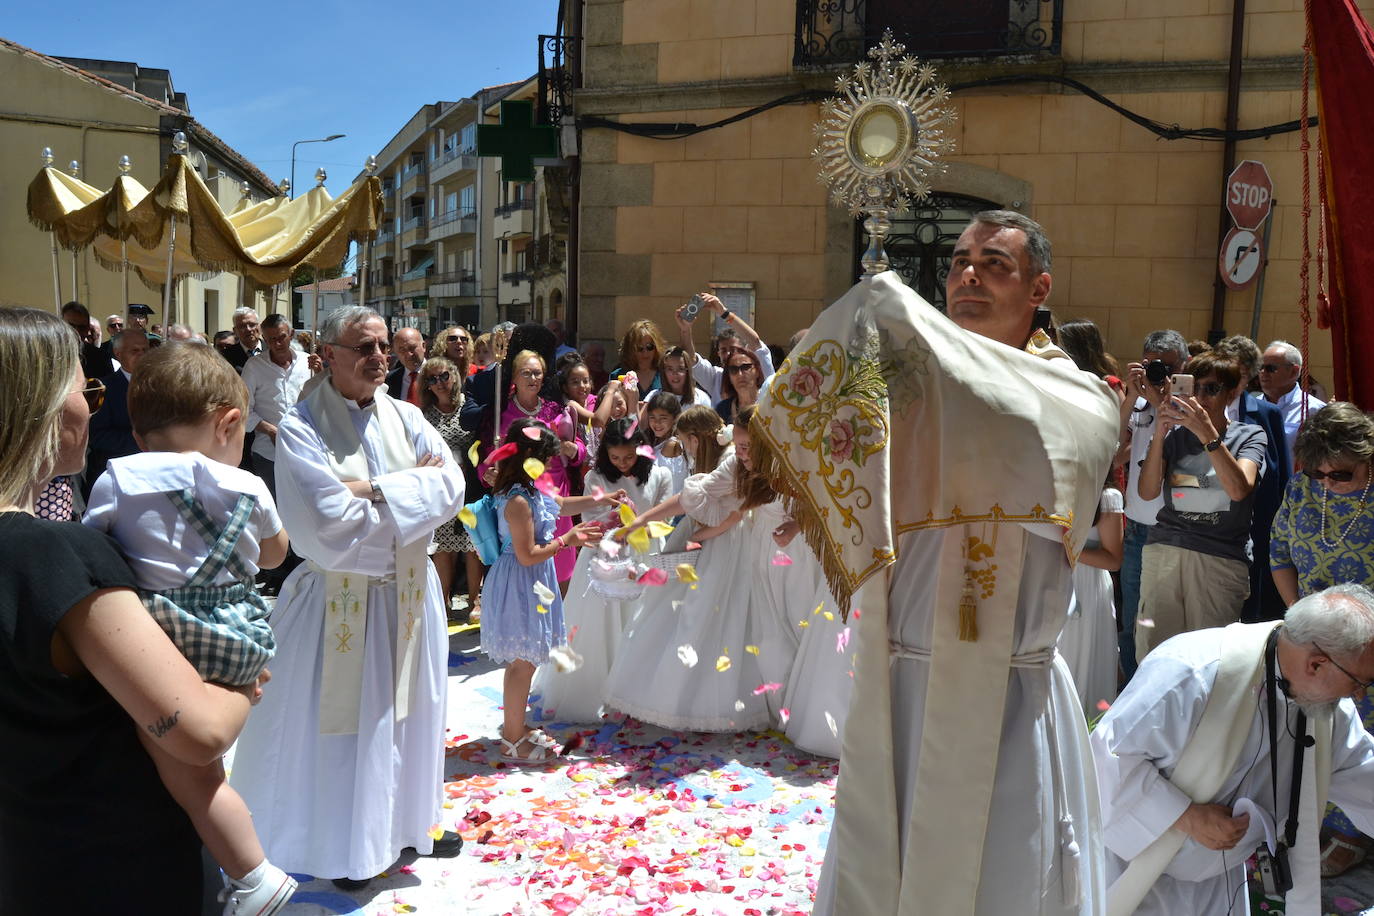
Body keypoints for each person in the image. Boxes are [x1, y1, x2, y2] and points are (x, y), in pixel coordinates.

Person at [757, 210, 1119, 915]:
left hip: (1010, 691)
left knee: (1008, 881)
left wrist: (900, 318)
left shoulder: (1077, 396)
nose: (968, 275)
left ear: (1040, 287)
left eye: (994, 264)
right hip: (904, 677)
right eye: (957, 263)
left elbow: (1017, 432)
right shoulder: (909, 380)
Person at [0, 307, 261, 914]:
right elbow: (199, 732)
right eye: (81, 387)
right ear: (36, 405)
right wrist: (242, 687)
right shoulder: (55, 553)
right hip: (118, 864)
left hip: (28, 857)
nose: (92, 406)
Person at [227, 306, 467, 889]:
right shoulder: (303, 427)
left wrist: (373, 490)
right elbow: (329, 524)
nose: (379, 357)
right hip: (342, 600)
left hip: (409, 594)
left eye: (384, 345)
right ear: (328, 353)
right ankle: (350, 847)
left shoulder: (408, 414)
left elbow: (453, 487)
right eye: (364, 347)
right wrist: (410, 496)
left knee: (415, 713)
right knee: (349, 730)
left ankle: (411, 824)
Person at [84, 343, 297, 915]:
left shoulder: (118, 481)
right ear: (231, 422)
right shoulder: (247, 485)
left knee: (192, 781)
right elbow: (277, 555)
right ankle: (238, 866)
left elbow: (92, 553)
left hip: (164, 637)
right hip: (240, 636)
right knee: (206, 770)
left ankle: (254, 874)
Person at [1091, 583, 1374, 915]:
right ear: (1316, 664)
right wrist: (1186, 816)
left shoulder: (1328, 714)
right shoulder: (1192, 673)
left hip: (1219, 884)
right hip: (1136, 874)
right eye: (1359, 682)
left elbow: (1363, 775)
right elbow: (1107, 760)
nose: (1359, 696)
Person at [607, 414, 794, 733]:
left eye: (748, 447)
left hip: (760, 547)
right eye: (738, 446)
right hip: (732, 547)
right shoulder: (734, 465)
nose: (742, 453)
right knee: (700, 617)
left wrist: (702, 536)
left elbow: (737, 516)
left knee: (748, 622)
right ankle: (685, 701)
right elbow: (688, 500)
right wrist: (638, 524)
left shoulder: (783, 463)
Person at [1271, 402, 1374, 876]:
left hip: (1369, 643)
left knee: (1364, 738)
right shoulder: (1302, 490)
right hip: (1315, 638)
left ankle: (1356, 833)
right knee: (1317, 729)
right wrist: (1300, 621)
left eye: (1341, 474)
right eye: (1319, 474)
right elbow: (1278, 554)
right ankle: (1320, 821)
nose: (1328, 483)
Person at [479, 420, 611, 760]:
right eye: (545, 458)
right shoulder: (518, 501)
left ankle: (515, 724)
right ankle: (512, 738)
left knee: (527, 660)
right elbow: (526, 555)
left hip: (533, 580)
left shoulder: (530, 491)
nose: (550, 465)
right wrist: (569, 539)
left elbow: (562, 505)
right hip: (520, 581)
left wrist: (604, 499)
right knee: (522, 663)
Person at [531, 418, 671, 723]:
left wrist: (638, 525)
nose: (622, 464)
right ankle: (598, 691)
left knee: (642, 624)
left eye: (629, 457)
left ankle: (639, 693)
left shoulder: (660, 474)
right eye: (615, 458)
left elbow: (665, 520)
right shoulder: (596, 476)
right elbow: (589, 518)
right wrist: (614, 519)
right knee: (599, 629)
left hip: (644, 554)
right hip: (604, 557)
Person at [1137, 352, 1267, 659]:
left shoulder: (1249, 435)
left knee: (1209, 660)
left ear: (1233, 393)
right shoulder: (1173, 437)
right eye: (1194, 388)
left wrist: (1208, 434)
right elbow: (1146, 491)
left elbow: (1238, 489)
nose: (1200, 397)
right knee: (1155, 656)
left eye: (1212, 389)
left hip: (1218, 559)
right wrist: (1160, 432)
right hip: (1165, 552)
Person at [1118, 330, 1189, 680]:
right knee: (1132, 618)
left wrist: (1164, 401)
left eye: (1166, 367)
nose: (1157, 373)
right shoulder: (1138, 405)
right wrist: (1130, 398)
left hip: (1174, 531)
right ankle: (1131, 690)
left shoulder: (1191, 407)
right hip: (1136, 527)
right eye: (1149, 365)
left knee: (1164, 621)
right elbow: (1114, 453)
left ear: (1183, 368)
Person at [482, 349, 585, 585]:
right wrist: (489, 473)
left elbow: (579, 447)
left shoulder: (556, 409)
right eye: (526, 373)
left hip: (555, 489)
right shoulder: (501, 413)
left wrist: (573, 449)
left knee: (561, 566)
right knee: (528, 557)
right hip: (521, 493)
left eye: (538, 373)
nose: (533, 378)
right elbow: (488, 453)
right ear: (515, 378)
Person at [1215, 334, 1293, 622]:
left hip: (1255, 521)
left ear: (1248, 376)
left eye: (1238, 372)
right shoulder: (1205, 407)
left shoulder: (1266, 413)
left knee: (1251, 607)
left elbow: (1280, 470)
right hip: (1213, 522)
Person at [419, 356, 480, 619]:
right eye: (432, 379)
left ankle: (474, 600)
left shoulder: (470, 408)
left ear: (454, 376)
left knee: (472, 545)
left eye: (444, 376)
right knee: (443, 545)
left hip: (471, 487)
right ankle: (442, 600)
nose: (439, 383)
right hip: (441, 490)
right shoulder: (424, 415)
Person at [1058, 480, 1125, 714]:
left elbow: (1113, 559)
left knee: (1084, 658)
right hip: (1050, 578)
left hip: (1088, 586)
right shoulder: (1049, 487)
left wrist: (1068, 550)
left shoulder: (1107, 496)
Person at [85, 327, 151, 499]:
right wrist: (147, 442)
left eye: (145, 349)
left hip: (154, 477)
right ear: (118, 354)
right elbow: (97, 436)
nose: (142, 355)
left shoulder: (163, 385)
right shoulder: (104, 389)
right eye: (135, 351)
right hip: (117, 480)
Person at [675, 293, 775, 403]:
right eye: (723, 350)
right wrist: (685, 329)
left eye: (733, 350)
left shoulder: (761, 370)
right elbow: (690, 359)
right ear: (718, 353)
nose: (728, 354)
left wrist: (723, 312)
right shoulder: (716, 377)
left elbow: (754, 341)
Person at [1261, 340, 1326, 468]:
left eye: (1271, 368)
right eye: (1260, 367)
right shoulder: (1250, 407)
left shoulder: (1315, 410)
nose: (1263, 373)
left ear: (1294, 371)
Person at [611, 319, 668, 399]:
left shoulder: (665, 374)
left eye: (649, 347)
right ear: (630, 349)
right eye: (639, 348)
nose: (645, 353)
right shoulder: (618, 375)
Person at [61, 300, 113, 378]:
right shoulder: (48, 354)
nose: (76, 331)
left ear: (87, 329)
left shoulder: (100, 357)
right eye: (71, 326)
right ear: (61, 326)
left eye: (81, 327)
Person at [714, 347, 767, 424]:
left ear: (757, 371)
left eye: (745, 367)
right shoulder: (722, 409)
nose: (740, 374)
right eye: (733, 369)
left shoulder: (769, 403)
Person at [385, 327, 427, 405]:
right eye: (402, 350)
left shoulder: (439, 376)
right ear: (395, 352)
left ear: (423, 346)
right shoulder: (389, 380)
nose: (408, 354)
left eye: (412, 348)